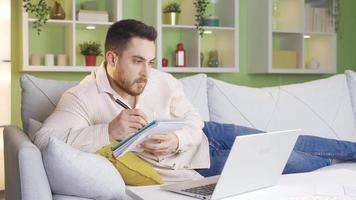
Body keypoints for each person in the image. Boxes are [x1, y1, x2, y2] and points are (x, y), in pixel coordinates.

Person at [33, 19, 356, 182]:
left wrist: (175, 138)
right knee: (294, 161)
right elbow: (44, 139)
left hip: (209, 135)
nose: (147, 72)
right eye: (137, 61)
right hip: (196, 164)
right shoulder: (82, 97)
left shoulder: (159, 80)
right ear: (112, 58)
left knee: (286, 141)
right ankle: (335, 161)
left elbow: (194, 120)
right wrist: (108, 131)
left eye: (151, 61)